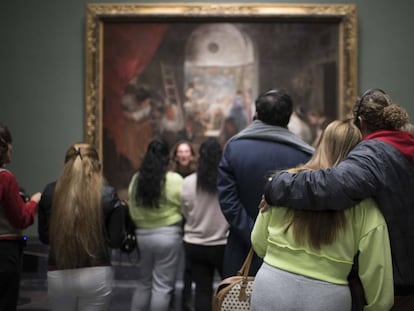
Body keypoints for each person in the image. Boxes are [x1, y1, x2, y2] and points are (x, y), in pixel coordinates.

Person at [263, 89, 414, 310]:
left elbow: (327, 186)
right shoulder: (404, 147)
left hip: (399, 287)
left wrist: (275, 184)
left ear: (360, 123)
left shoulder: (375, 155)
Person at [251, 120, 393, 311]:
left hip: (271, 286)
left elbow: (258, 241)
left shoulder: (285, 185)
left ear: (321, 144)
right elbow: (378, 273)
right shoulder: (365, 206)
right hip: (327, 297)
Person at [217, 89, 314, 278]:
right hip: (289, 250)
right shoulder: (306, 155)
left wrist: (252, 234)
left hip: (242, 248)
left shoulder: (234, 149)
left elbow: (228, 201)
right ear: (288, 118)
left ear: (257, 115)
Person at [37, 143, 124, 311]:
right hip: (96, 272)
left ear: (66, 165)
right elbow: (115, 241)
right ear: (97, 165)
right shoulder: (108, 195)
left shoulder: (49, 192)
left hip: (59, 272)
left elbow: (45, 237)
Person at [128, 139, 183, 311]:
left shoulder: (136, 180)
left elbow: (131, 207)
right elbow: (185, 206)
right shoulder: (174, 179)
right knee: (162, 286)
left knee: (144, 282)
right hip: (168, 236)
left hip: (143, 236)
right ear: (168, 158)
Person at [181, 138, 229, 311]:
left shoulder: (187, 182)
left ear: (199, 156)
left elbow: (185, 211)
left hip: (194, 244)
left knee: (202, 291)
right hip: (221, 244)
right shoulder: (226, 181)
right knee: (228, 289)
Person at [0, 124, 41, 311]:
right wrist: (34, 203)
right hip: (5, 254)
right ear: (5, 146)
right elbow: (21, 219)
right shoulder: (5, 178)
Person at [170, 139, 197, 310]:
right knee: (171, 265)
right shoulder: (171, 174)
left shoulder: (196, 174)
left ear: (192, 155)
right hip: (173, 222)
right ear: (175, 155)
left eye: (186, 151)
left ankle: (186, 300)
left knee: (188, 265)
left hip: (191, 222)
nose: (183, 155)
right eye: (180, 151)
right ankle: (169, 298)